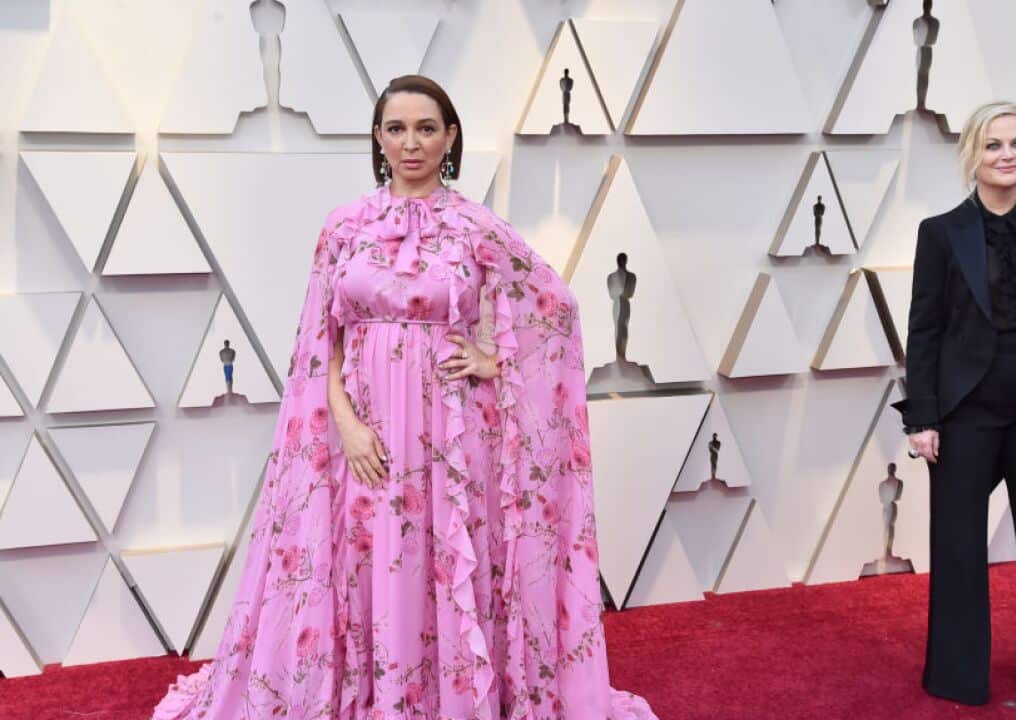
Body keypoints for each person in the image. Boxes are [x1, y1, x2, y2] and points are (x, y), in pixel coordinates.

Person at [152, 75, 657, 720]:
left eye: (426, 128)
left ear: (449, 138)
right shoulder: (345, 228)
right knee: (370, 563)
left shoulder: (476, 226)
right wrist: (347, 426)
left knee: (441, 558)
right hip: (365, 437)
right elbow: (318, 345)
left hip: (452, 438)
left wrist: (492, 358)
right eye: (396, 128)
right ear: (378, 137)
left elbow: (554, 307)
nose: (410, 143)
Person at [890, 100, 1016, 706]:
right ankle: (958, 676)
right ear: (972, 156)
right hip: (969, 405)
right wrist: (923, 415)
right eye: (993, 145)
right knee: (958, 543)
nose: (1007, 156)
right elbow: (924, 327)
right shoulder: (942, 232)